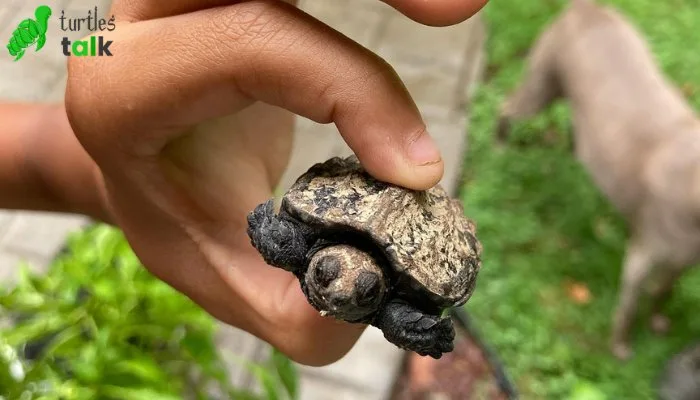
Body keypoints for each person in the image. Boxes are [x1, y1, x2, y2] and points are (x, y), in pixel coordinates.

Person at [0, 0, 487, 366]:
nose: (338, 293)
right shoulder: (303, 247)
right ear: (313, 257)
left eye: (362, 293)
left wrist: (109, 167)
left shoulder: (341, 266)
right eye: (326, 274)